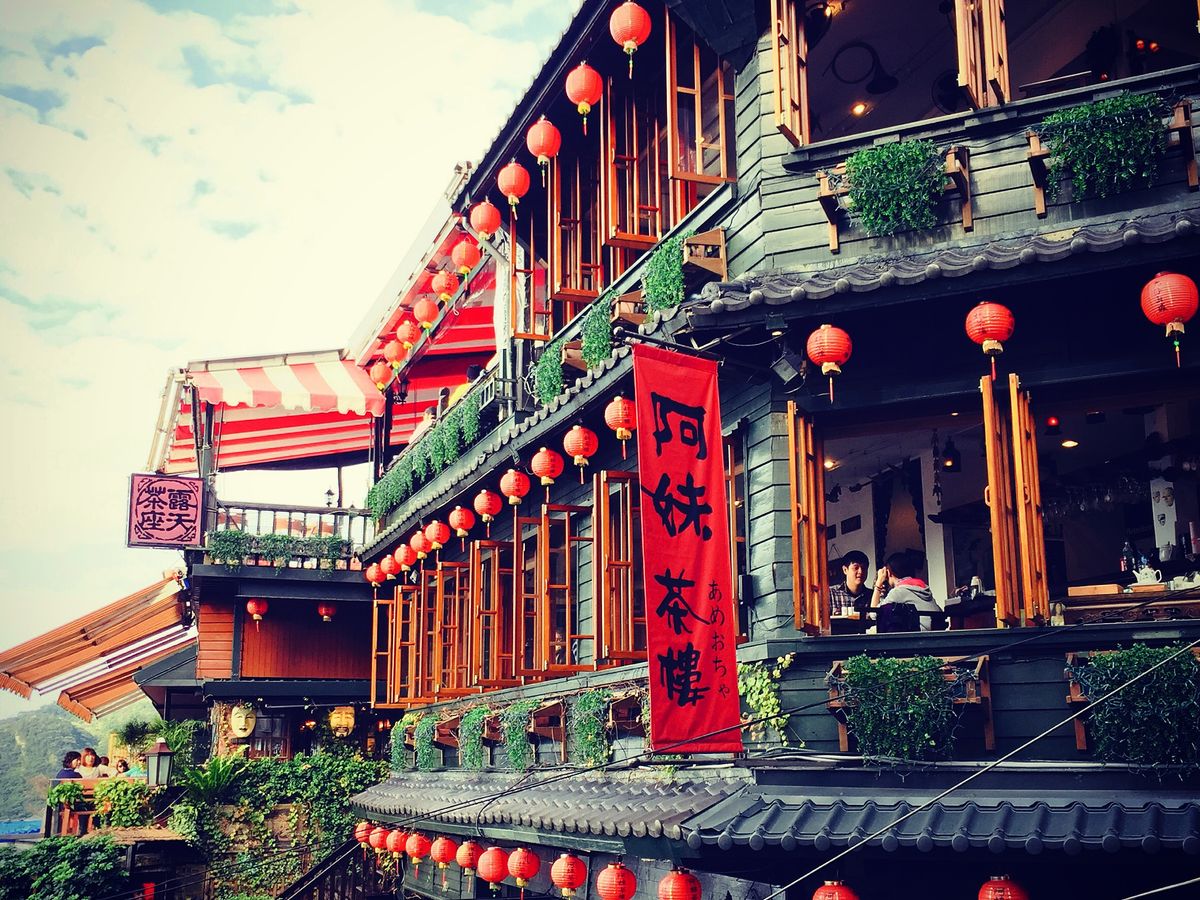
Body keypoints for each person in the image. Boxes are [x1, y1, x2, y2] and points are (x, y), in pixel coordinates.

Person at [873, 551, 943, 632]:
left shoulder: (899, 592)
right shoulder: (924, 588)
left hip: (918, 636)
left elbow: (874, 614)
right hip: (936, 634)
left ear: (888, 572)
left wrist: (878, 583)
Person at [828, 550, 880, 619]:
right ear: (845, 570)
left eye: (864, 568)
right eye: (856, 568)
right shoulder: (831, 594)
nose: (860, 571)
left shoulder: (873, 596)